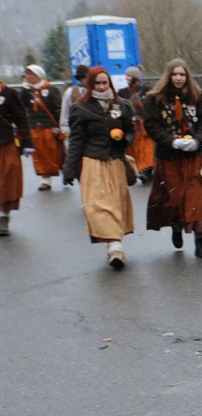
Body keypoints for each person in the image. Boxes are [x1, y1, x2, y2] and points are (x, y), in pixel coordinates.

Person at [62, 66, 136, 270]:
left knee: (114, 203)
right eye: (97, 83)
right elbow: (76, 141)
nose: (102, 87)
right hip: (92, 162)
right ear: (90, 84)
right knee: (97, 205)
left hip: (115, 161)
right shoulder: (80, 108)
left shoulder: (123, 105)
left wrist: (124, 139)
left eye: (105, 82)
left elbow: (131, 130)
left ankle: (114, 243)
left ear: (110, 83)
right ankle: (115, 247)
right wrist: (68, 170)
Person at [143, 58, 202, 258]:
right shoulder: (155, 99)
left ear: (187, 76)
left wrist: (198, 141)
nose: (179, 78)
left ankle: (200, 242)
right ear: (169, 76)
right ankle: (176, 226)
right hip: (169, 157)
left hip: (194, 157)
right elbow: (152, 125)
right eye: (175, 74)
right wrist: (172, 141)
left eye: (182, 74)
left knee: (197, 197)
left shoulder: (198, 96)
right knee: (174, 197)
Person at [19, 64, 64, 191]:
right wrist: (24, 90)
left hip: (49, 127)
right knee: (39, 155)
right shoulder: (27, 91)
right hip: (34, 128)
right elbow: (22, 106)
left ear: (39, 75)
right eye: (27, 74)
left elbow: (58, 109)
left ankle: (65, 171)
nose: (29, 77)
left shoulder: (50, 89)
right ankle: (45, 180)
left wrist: (61, 126)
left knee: (55, 153)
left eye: (32, 74)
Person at [0, 78, 32, 236]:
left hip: (7, 144)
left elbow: (21, 119)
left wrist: (27, 142)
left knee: (8, 181)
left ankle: (3, 217)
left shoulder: (10, 93)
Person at [118, 66, 155, 184]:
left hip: (145, 125)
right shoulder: (122, 92)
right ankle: (140, 171)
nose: (127, 78)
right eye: (126, 76)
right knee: (134, 150)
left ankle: (147, 170)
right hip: (131, 125)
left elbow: (152, 106)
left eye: (129, 76)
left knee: (147, 149)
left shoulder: (147, 91)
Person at [59, 64, 90, 138]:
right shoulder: (70, 92)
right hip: (76, 131)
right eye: (84, 77)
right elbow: (65, 114)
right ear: (80, 79)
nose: (86, 79)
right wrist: (66, 132)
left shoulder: (96, 90)